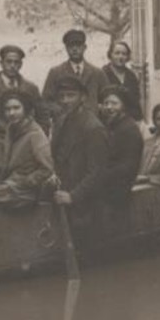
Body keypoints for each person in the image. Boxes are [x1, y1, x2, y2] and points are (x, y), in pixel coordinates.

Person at [0, 45, 50, 178]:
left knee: (28, 169)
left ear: (21, 64)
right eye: (9, 62)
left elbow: (43, 117)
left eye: (16, 62)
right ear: (1, 63)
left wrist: (38, 137)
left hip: (24, 138)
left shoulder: (30, 88)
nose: (12, 66)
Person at [51, 75, 109, 216]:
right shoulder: (61, 121)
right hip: (63, 198)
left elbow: (97, 172)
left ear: (83, 97)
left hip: (86, 204)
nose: (65, 101)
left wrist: (73, 196)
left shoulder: (93, 128)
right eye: (62, 96)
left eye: (71, 96)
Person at [0, 90, 55, 210]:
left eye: (16, 108)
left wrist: (27, 181)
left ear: (26, 109)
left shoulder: (35, 134)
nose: (11, 113)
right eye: (7, 109)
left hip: (26, 193)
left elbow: (47, 169)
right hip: (11, 185)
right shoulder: (11, 128)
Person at [42, 29, 109, 116]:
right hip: (66, 122)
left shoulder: (97, 73)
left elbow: (107, 99)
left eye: (78, 45)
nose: (74, 49)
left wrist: (96, 110)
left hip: (91, 123)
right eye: (71, 46)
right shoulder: (56, 72)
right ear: (66, 48)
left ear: (84, 47)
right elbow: (45, 101)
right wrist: (61, 110)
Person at [101, 41, 143, 121]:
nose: (121, 57)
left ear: (127, 57)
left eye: (124, 54)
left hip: (131, 120)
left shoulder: (131, 76)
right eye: (117, 53)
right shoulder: (103, 74)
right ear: (110, 55)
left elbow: (136, 102)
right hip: (110, 121)